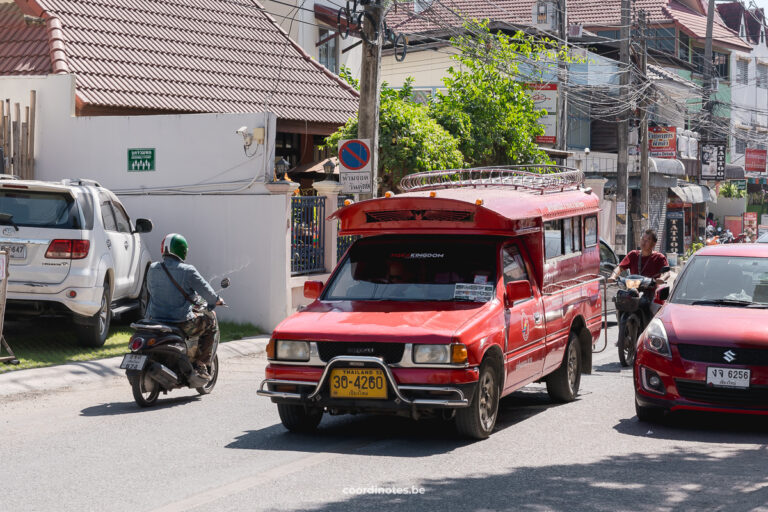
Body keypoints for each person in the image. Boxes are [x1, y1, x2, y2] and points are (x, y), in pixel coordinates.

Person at [146, 233, 224, 386]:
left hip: (154, 320)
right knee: (211, 320)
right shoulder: (188, 270)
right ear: (183, 250)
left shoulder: (152, 268)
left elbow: (151, 290)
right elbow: (206, 292)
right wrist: (217, 301)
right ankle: (201, 364)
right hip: (181, 322)